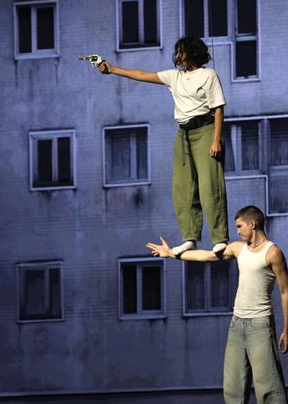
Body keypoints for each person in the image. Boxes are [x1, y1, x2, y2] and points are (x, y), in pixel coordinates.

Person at [146, 205, 288, 404]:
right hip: (237, 324)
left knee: (267, 385)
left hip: (260, 325)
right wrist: (172, 254)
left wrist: (286, 329)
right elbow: (206, 256)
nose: (237, 232)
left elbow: (285, 291)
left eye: (239, 226)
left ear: (253, 225)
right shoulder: (238, 249)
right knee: (233, 386)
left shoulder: (273, 253)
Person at [96, 37, 229, 256]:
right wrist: (112, 69)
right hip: (184, 134)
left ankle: (219, 238)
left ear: (192, 52)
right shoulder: (174, 77)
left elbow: (219, 109)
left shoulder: (208, 75)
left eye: (181, 51)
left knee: (210, 186)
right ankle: (190, 237)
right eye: (177, 52)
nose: (178, 56)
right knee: (183, 188)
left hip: (205, 130)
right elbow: (142, 74)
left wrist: (216, 140)